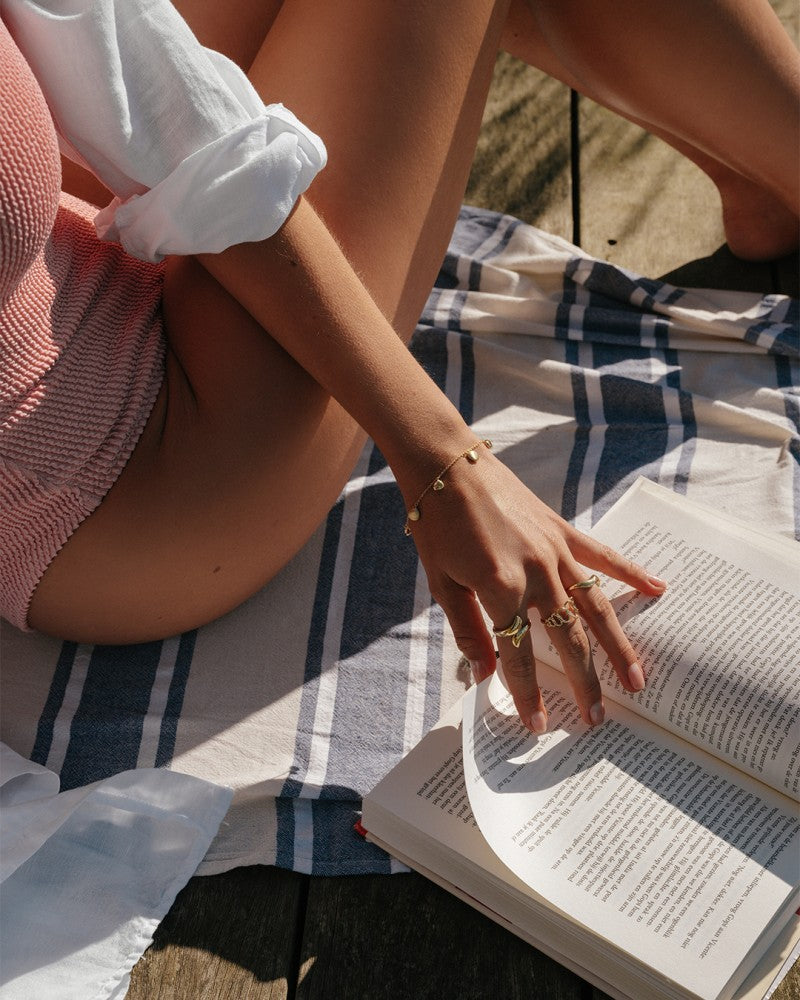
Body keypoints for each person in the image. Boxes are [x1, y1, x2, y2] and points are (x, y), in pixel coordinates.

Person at [1, 0, 798, 737]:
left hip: (63, 273)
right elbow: (204, 155)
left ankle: (768, 182)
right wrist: (443, 456)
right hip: (139, 475)